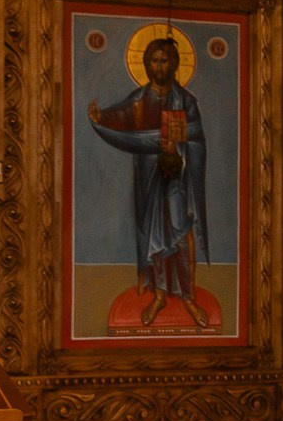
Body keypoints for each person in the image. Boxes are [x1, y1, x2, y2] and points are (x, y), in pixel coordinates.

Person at [88, 37, 210, 328]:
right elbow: (121, 117)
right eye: (154, 61)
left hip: (177, 179)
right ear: (146, 64)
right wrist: (100, 116)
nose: (159, 66)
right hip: (149, 178)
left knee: (181, 237)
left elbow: (197, 139)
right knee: (154, 237)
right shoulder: (140, 98)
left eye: (164, 60)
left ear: (174, 64)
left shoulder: (187, 101)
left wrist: (179, 149)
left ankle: (189, 296)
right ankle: (159, 295)